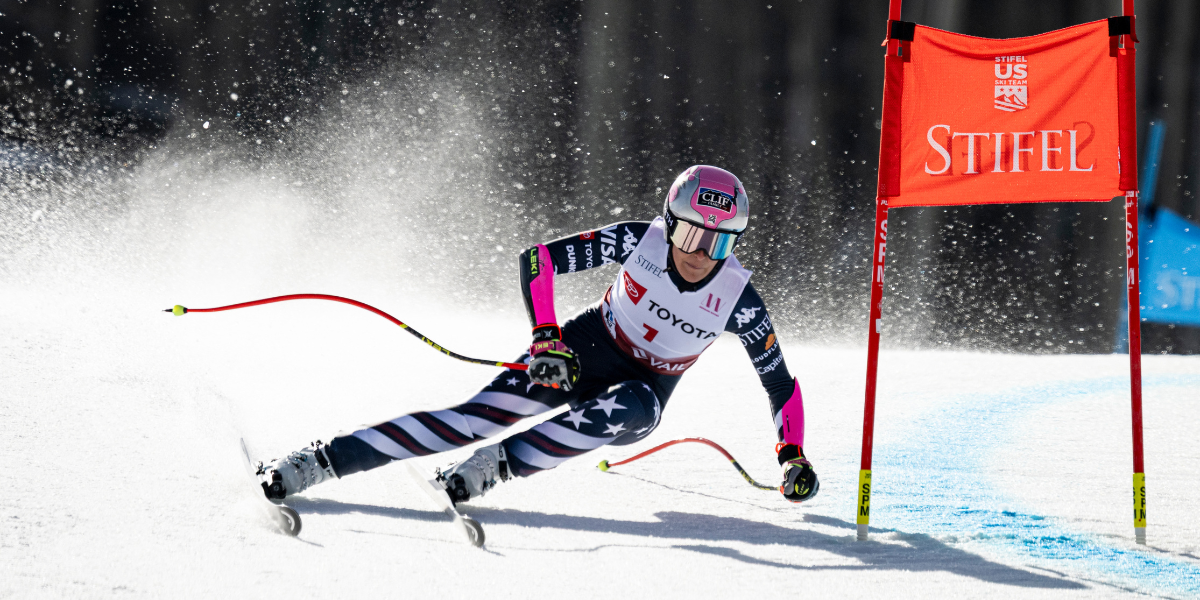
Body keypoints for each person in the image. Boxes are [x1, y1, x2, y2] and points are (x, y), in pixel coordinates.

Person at [258, 165, 819, 506]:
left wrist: (791, 456)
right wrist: (547, 337)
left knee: (628, 404)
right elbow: (538, 261)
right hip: (582, 348)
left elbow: (780, 384)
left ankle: (496, 466)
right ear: (670, 223)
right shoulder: (636, 241)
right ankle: (321, 460)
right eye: (693, 235)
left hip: (646, 392)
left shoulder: (740, 299)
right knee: (474, 419)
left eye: (721, 243)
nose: (702, 254)